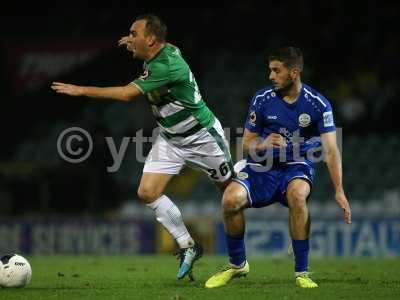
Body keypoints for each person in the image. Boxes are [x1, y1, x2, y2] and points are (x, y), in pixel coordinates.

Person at [51, 14, 233, 280]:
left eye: (134, 33)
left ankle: (239, 259)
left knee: (231, 196)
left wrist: (82, 90)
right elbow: (156, 49)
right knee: (148, 192)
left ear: (150, 39)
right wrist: (135, 40)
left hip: (202, 137)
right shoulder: (162, 53)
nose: (129, 38)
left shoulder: (166, 66)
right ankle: (188, 246)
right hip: (171, 139)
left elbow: (126, 94)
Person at [205, 47, 351, 289]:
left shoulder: (318, 104)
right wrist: (262, 143)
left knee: (297, 195)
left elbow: (331, 150)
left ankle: (302, 272)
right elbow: (246, 146)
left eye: (276, 70)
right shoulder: (262, 99)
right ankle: (237, 264)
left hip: (296, 165)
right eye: (269, 70)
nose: (270, 76)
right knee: (230, 200)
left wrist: (339, 190)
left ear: (294, 72)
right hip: (262, 166)